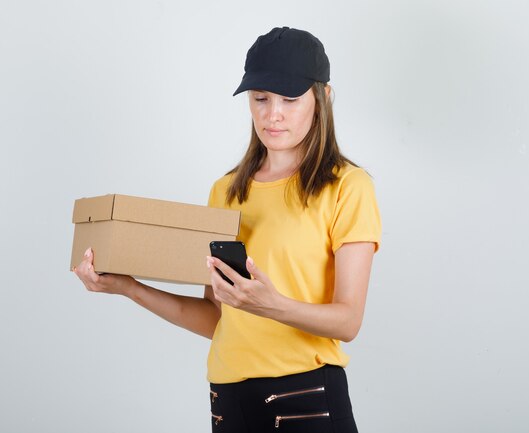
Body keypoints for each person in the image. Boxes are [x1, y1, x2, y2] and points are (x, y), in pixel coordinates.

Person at [74, 26, 381, 433]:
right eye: (260, 99)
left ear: (322, 99)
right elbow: (216, 318)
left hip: (305, 399)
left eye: (290, 99)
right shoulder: (226, 190)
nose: (273, 114)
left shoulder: (347, 186)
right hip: (228, 401)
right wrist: (129, 287)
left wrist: (270, 304)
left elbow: (348, 321)